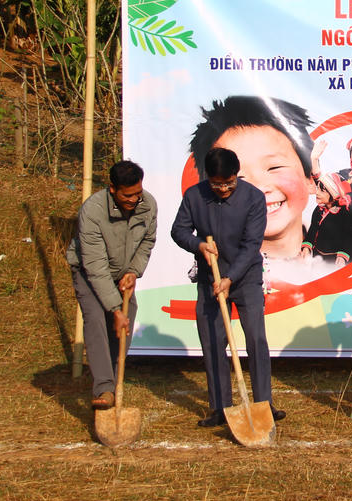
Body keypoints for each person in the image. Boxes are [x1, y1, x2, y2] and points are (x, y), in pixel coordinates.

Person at [171, 147, 285, 427]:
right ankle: (221, 407)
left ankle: (263, 403)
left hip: (244, 278)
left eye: (229, 182)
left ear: (237, 175)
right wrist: (197, 244)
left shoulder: (254, 198)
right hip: (210, 280)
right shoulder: (194, 196)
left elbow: (251, 245)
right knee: (212, 341)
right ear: (207, 178)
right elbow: (179, 230)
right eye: (216, 183)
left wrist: (230, 277)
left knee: (256, 338)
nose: (223, 188)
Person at [66, 160, 157, 410]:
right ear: (113, 189)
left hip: (122, 272)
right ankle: (104, 388)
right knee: (96, 320)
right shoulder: (92, 211)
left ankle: (116, 380)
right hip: (88, 271)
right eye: (128, 195)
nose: (133, 200)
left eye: (137, 193)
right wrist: (115, 310)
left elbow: (147, 241)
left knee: (124, 327)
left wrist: (133, 271)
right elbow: (95, 266)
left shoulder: (147, 205)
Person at [190, 96, 314, 263]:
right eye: (238, 177)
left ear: (310, 178)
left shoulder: (336, 251)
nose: (259, 188)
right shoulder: (215, 268)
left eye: (274, 167)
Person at [301, 172, 352, 266]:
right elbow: (313, 229)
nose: (317, 193)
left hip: (334, 258)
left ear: (333, 194)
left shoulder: (346, 212)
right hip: (317, 255)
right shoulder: (319, 209)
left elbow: (349, 237)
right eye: (317, 188)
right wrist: (307, 246)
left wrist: (342, 255)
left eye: (322, 191)